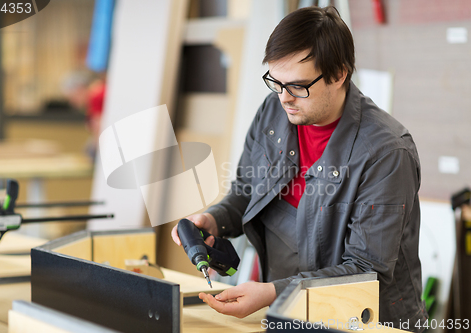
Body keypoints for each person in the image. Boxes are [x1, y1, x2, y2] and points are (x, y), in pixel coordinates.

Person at [172, 6, 427, 331]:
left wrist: (271, 293)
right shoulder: (274, 114)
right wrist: (215, 219)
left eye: (297, 86)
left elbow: (366, 270)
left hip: (364, 322)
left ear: (339, 74)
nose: (284, 99)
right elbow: (246, 192)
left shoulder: (386, 153)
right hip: (289, 312)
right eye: (275, 83)